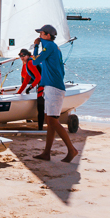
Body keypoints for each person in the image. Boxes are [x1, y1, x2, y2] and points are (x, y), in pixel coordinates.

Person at [31, 24, 78, 162]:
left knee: (52, 120)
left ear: (47, 35)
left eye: (41, 33)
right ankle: (46, 153)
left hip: (54, 88)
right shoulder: (54, 47)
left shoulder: (49, 46)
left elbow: (35, 62)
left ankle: (72, 150)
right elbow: (61, 70)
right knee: (50, 121)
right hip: (52, 87)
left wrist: (35, 46)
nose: (39, 36)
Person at [17, 48, 46, 131]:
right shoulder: (28, 63)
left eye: (23, 55)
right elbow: (26, 80)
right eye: (20, 56)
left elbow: (38, 77)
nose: (22, 57)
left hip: (44, 84)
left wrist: (30, 87)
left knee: (40, 105)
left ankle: (40, 129)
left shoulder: (30, 62)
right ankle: (39, 126)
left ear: (28, 56)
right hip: (42, 83)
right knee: (39, 105)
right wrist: (18, 93)